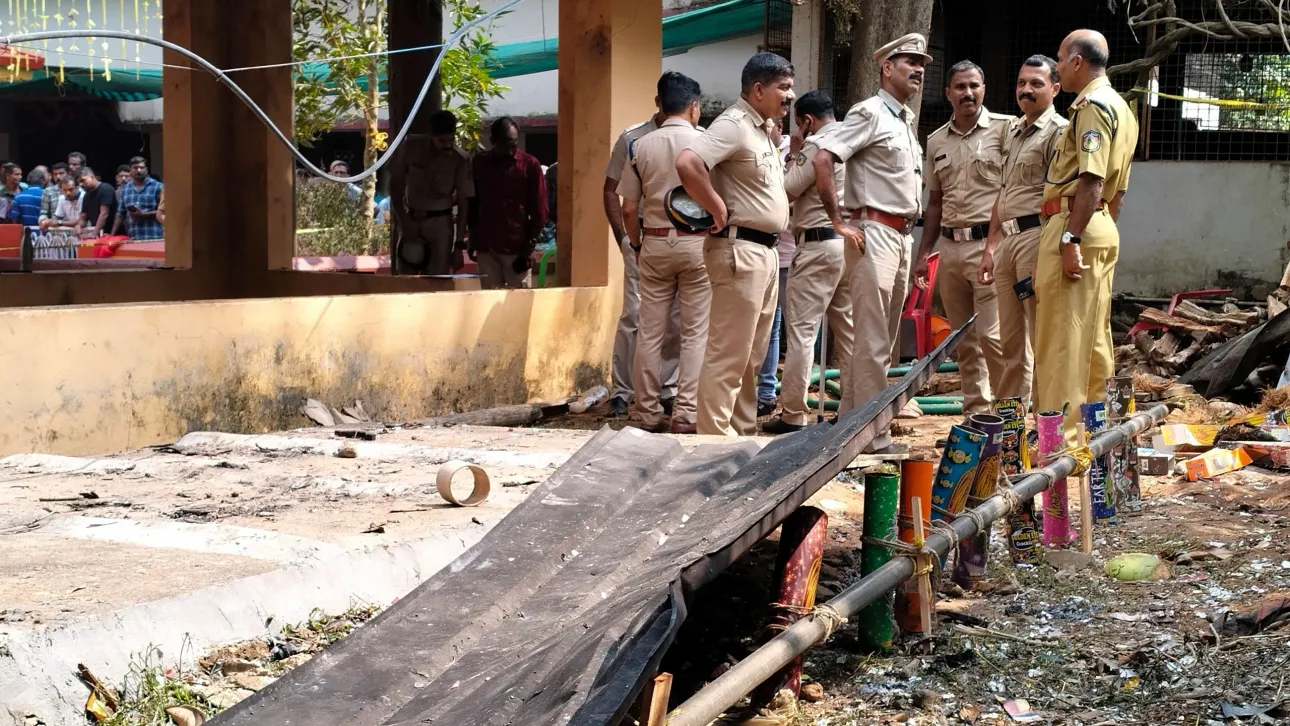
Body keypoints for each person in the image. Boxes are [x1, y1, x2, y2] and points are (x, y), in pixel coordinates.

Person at [812, 33, 930, 454]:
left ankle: (850, 425)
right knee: (873, 340)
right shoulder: (871, 113)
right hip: (874, 231)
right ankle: (871, 435)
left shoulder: (903, 120)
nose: (917, 68)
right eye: (908, 61)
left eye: (921, 62)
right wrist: (837, 221)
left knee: (880, 339)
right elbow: (823, 157)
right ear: (887, 67)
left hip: (899, 235)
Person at [676, 51, 795, 436]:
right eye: (783, 87)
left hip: (764, 251)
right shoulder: (734, 124)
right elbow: (688, 163)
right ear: (758, 89)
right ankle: (714, 441)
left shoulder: (761, 130)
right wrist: (716, 208)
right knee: (729, 353)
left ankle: (740, 434)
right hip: (738, 250)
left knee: (752, 356)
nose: (790, 96)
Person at [1034, 29, 1138, 445]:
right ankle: (1098, 437)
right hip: (1100, 224)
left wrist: (1072, 238)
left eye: (1060, 59)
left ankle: (1059, 445)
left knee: (1062, 341)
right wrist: (1097, 227)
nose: (1057, 67)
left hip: (1073, 222)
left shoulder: (1091, 107)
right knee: (1094, 341)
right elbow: (1120, 190)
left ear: (1077, 62)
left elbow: (1091, 179)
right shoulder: (1123, 109)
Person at [912, 60, 1009, 415]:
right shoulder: (936, 140)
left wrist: (994, 247)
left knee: (993, 337)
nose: (968, 93)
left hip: (990, 246)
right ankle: (976, 416)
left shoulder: (1005, 131)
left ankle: (1009, 416)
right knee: (963, 340)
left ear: (984, 89)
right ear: (948, 92)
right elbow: (934, 202)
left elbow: (1009, 193)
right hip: (950, 249)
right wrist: (924, 253)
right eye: (960, 87)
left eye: (974, 86)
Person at [616, 71, 709, 435]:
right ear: (693, 107)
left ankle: (647, 411)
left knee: (650, 332)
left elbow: (627, 209)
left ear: (660, 104)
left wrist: (638, 244)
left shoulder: (639, 146)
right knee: (695, 332)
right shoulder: (705, 143)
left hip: (653, 242)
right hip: (697, 244)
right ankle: (685, 413)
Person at [763, 90, 855, 434]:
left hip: (817, 246)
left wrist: (796, 151)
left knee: (801, 331)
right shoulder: (853, 137)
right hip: (849, 246)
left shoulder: (817, 145)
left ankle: (793, 414)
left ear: (807, 120)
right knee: (847, 332)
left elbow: (785, 190)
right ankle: (852, 409)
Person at [978, 55, 1067, 407]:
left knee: (1040, 334)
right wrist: (990, 247)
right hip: (1008, 242)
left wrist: (1048, 253)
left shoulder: (1058, 132)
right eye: (1021, 83)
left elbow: (1058, 198)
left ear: (1055, 89)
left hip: (1036, 238)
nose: (1026, 90)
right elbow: (1003, 192)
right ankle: (1010, 421)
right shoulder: (1013, 132)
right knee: (1010, 340)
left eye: (1036, 83)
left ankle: (1045, 419)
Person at [604, 77, 681, 418]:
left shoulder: (695, 138)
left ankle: (667, 390)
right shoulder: (632, 138)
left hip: (679, 241)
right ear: (658, 101)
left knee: (676, 321)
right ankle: (622, 391)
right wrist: (624, 238)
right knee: (635, 316)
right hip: (642, 239)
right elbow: (611, 191)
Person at [390, 110, 474, 275]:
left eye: (450, 140)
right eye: (441, 140)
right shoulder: (410, 147)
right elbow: (395, 184)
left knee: (438, 278)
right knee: (405, 278)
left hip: (440, 224)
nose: (447, 145)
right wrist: (404, 220)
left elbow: (464, 201)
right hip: (411, 218)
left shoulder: (460, 159)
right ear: (431, 136)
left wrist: (458, 246)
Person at [468, 117, 547, 289]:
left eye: (514, 144)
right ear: (492, 141)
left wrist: (528, 250)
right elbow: (472, 204)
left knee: (518, 302)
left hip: (516, 247)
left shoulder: (530, 165)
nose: (511, 150)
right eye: (506, 144)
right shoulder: (480, 163)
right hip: (486, 244)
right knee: (488, 299)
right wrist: (471, 239)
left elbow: (540, 211)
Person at [754, 115, 798, 418]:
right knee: (766, 326)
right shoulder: (755, 152)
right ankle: (764, 393)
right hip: (761, 252)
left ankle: (770, 392)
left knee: (781, 326)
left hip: (788, 255)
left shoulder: (791, 156)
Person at [112, 156, 164, 240]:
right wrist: (112, 235)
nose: (139, 170)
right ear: (130, 171)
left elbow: (164, 212)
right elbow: (120, 214)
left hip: (155, 236)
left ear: (146, 169)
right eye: (135, 168)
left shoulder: (158, 187)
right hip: (134, 237)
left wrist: (143, 215)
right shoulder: (125, 189)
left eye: (141, 168)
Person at [77, 167, 117, 239]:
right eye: (79, 182)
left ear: (91, 176)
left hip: (112, 233)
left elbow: (104, 214)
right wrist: (78, 227)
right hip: (99, 234)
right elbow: (83, 217)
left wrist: (94, 233)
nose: (81, 184)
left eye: (83, 180)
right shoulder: (87, 195)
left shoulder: (106, 189)